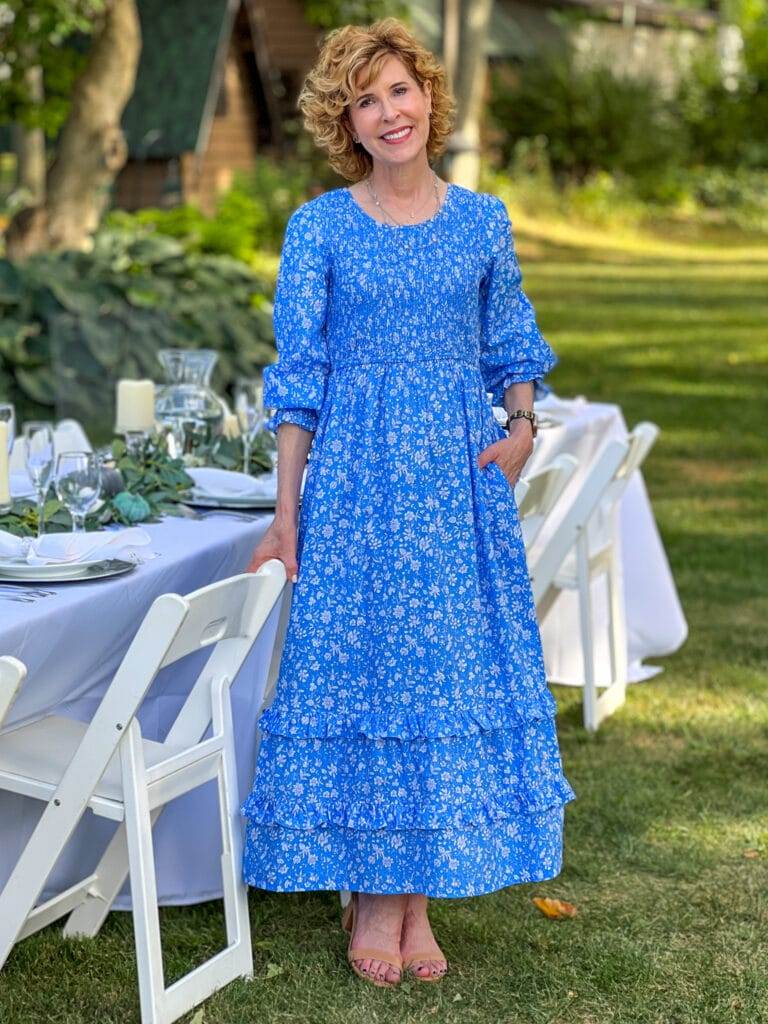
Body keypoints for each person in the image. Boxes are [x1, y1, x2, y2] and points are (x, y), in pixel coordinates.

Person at [241, 17, 576, 988]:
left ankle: (411, 901)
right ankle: (373, 893)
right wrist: (285, 511)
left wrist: (522, 424)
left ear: (428, 95)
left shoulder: (482, 220)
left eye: (399, 90)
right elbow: (298, 381)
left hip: (452, 486)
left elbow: (509, 331)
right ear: (345, 121)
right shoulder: (320, 228)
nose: (388, 112)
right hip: (353, 486)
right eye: (365, 98)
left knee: (436, 677)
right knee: (366, 672)